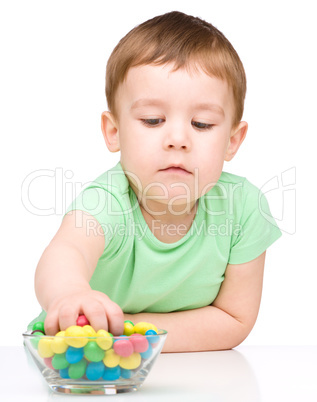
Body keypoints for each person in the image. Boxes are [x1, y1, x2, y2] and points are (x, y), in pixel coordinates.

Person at [29, 11, 282, 352]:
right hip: (83, 355)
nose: (177, 139)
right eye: (153, 120)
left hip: (186, 373)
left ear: (232, 141)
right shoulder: (106, 202)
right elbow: (66, 252)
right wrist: (70, 295)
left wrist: (127, 337)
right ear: (114, 132)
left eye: (202, 124)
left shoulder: (244, 208)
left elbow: (234, 319)